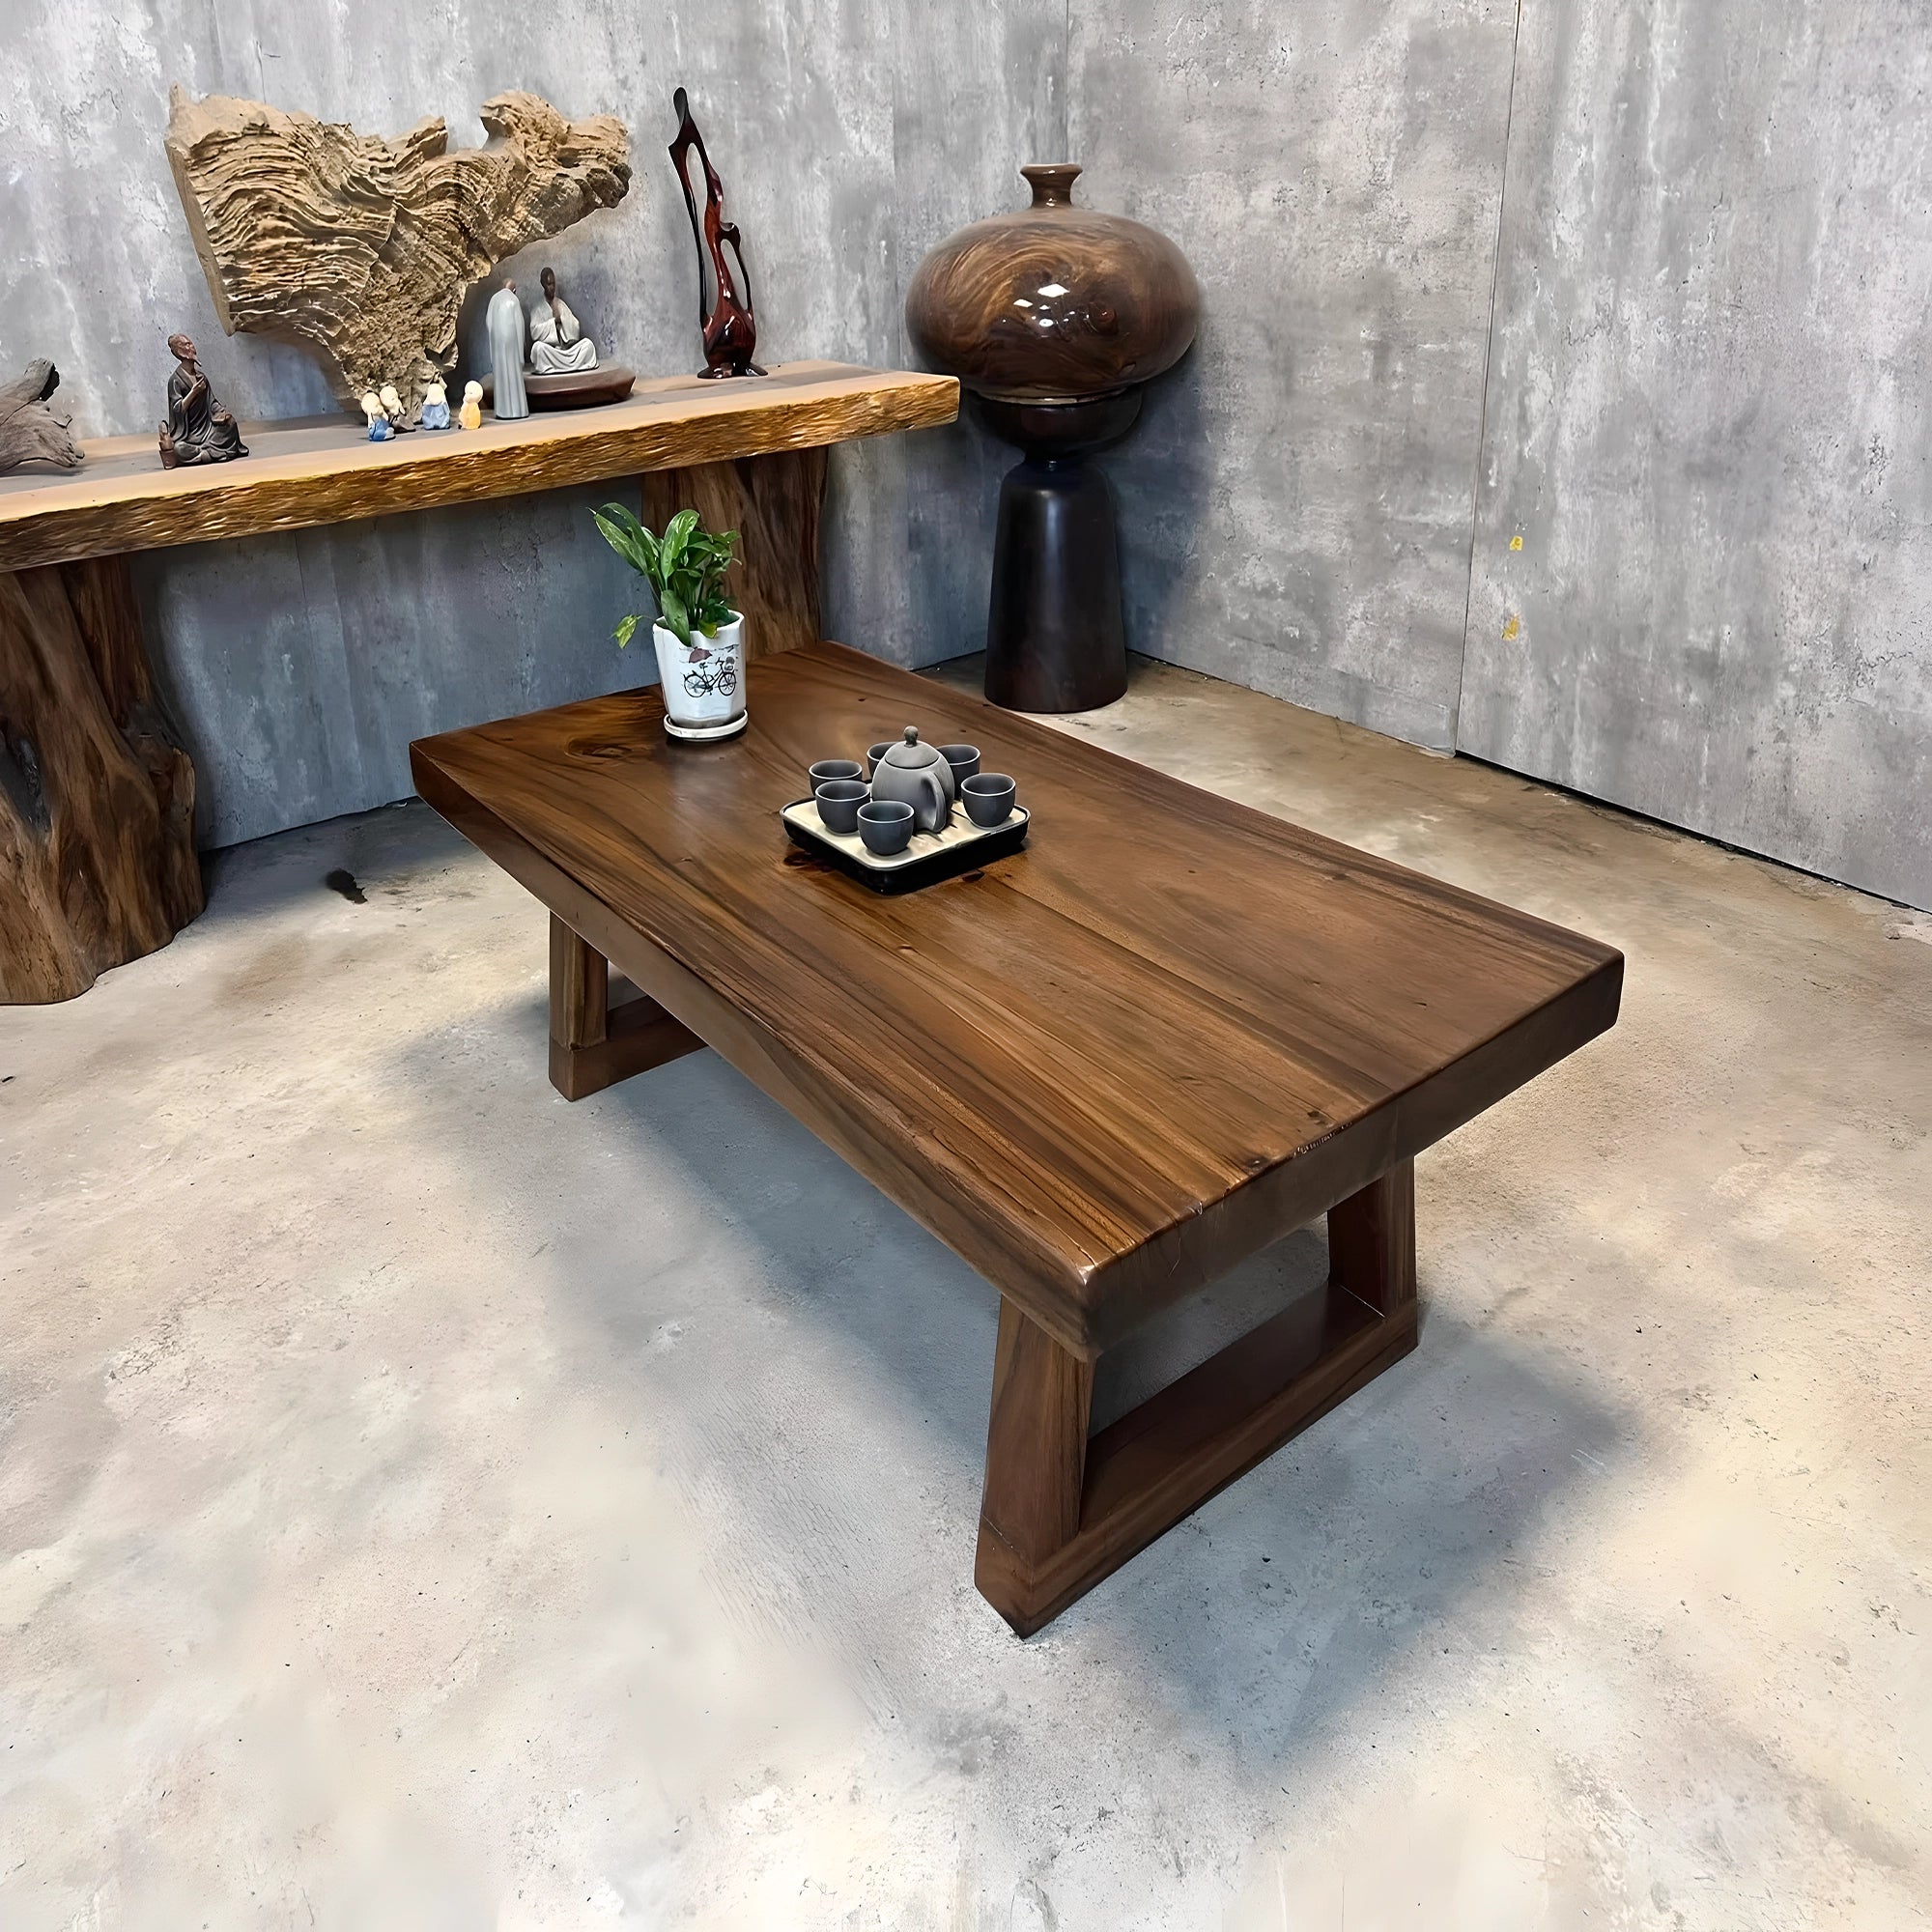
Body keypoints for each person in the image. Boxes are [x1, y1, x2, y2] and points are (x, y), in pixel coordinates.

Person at [157, 333, 247, 468]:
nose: (191, 347)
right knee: (179, 449)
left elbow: (211, 403)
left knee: (231, 424)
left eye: (191, 343)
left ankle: (207, 453)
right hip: (190, 435)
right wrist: (194, 392)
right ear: (179, 351)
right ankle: (210, 453)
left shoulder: (201, 377)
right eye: (186, 345)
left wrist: (221, 412)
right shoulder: (175, 380)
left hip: (208, 430)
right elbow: (177, 410)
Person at [527, 267, 599, 373]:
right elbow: (534, 332)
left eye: (553, 284)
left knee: (588, 345)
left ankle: (565, 366)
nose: (552, 287)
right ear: (543, 284)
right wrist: (553, 323)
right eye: (549, 284)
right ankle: (558, 367)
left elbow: (576, 325)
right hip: (551, 353)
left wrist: (562, 320)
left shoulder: (561, 304)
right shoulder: (537, 308)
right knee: (538, 348)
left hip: (567, 352)